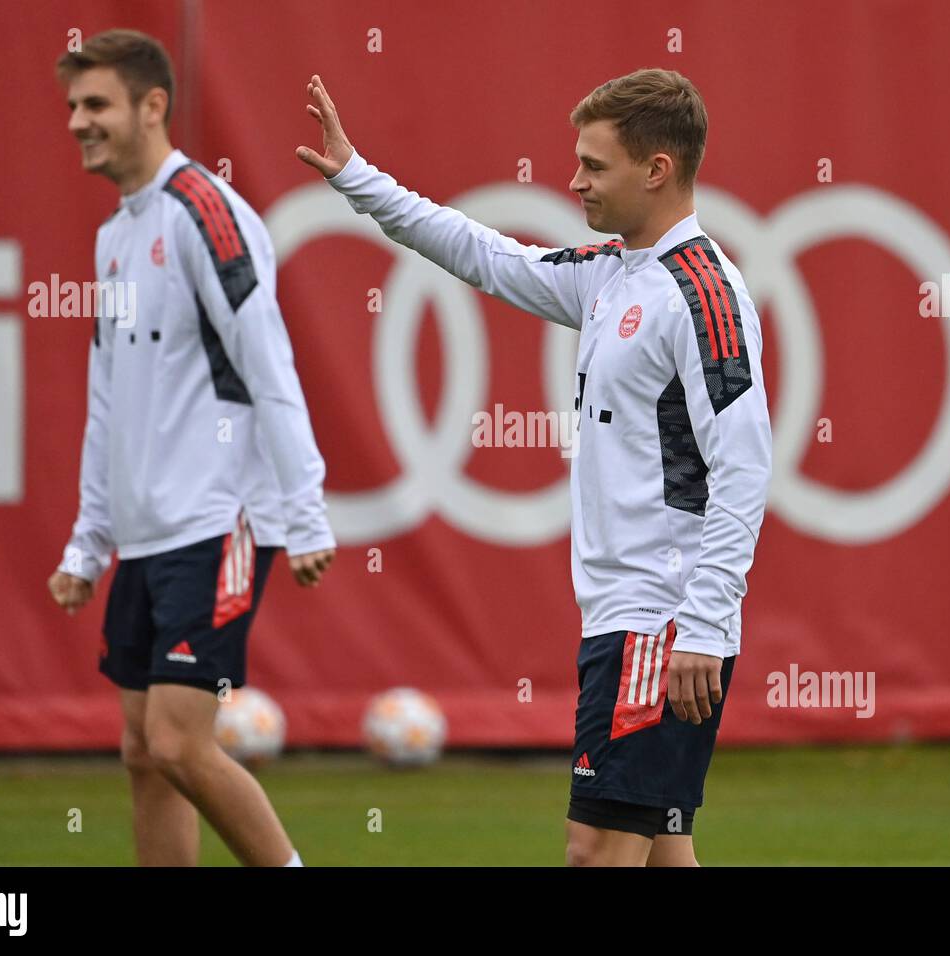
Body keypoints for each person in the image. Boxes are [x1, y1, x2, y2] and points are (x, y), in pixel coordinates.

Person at [295, 68, 772, 866]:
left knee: (595, 849)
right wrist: (357, 177)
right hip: (630, 615)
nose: (573, 180)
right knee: (663, 851)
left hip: (659, 618)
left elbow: (744, 468)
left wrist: (704, 621)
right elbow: (484, 254)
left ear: (657, 169)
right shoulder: (610, 273)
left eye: (594, 164)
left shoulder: (704, 296)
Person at [46, 29, 336, 866]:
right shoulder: (114, 237)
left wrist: (307, 511)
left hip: (218, 519)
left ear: (153, 106)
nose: (76, 122)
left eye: (95, 104)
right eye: (71, 105)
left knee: (177, 742)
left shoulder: (207, 212)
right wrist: (87, 541)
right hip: (144, 532)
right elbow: (111, 401)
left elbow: (269, 362)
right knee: (144, 754)